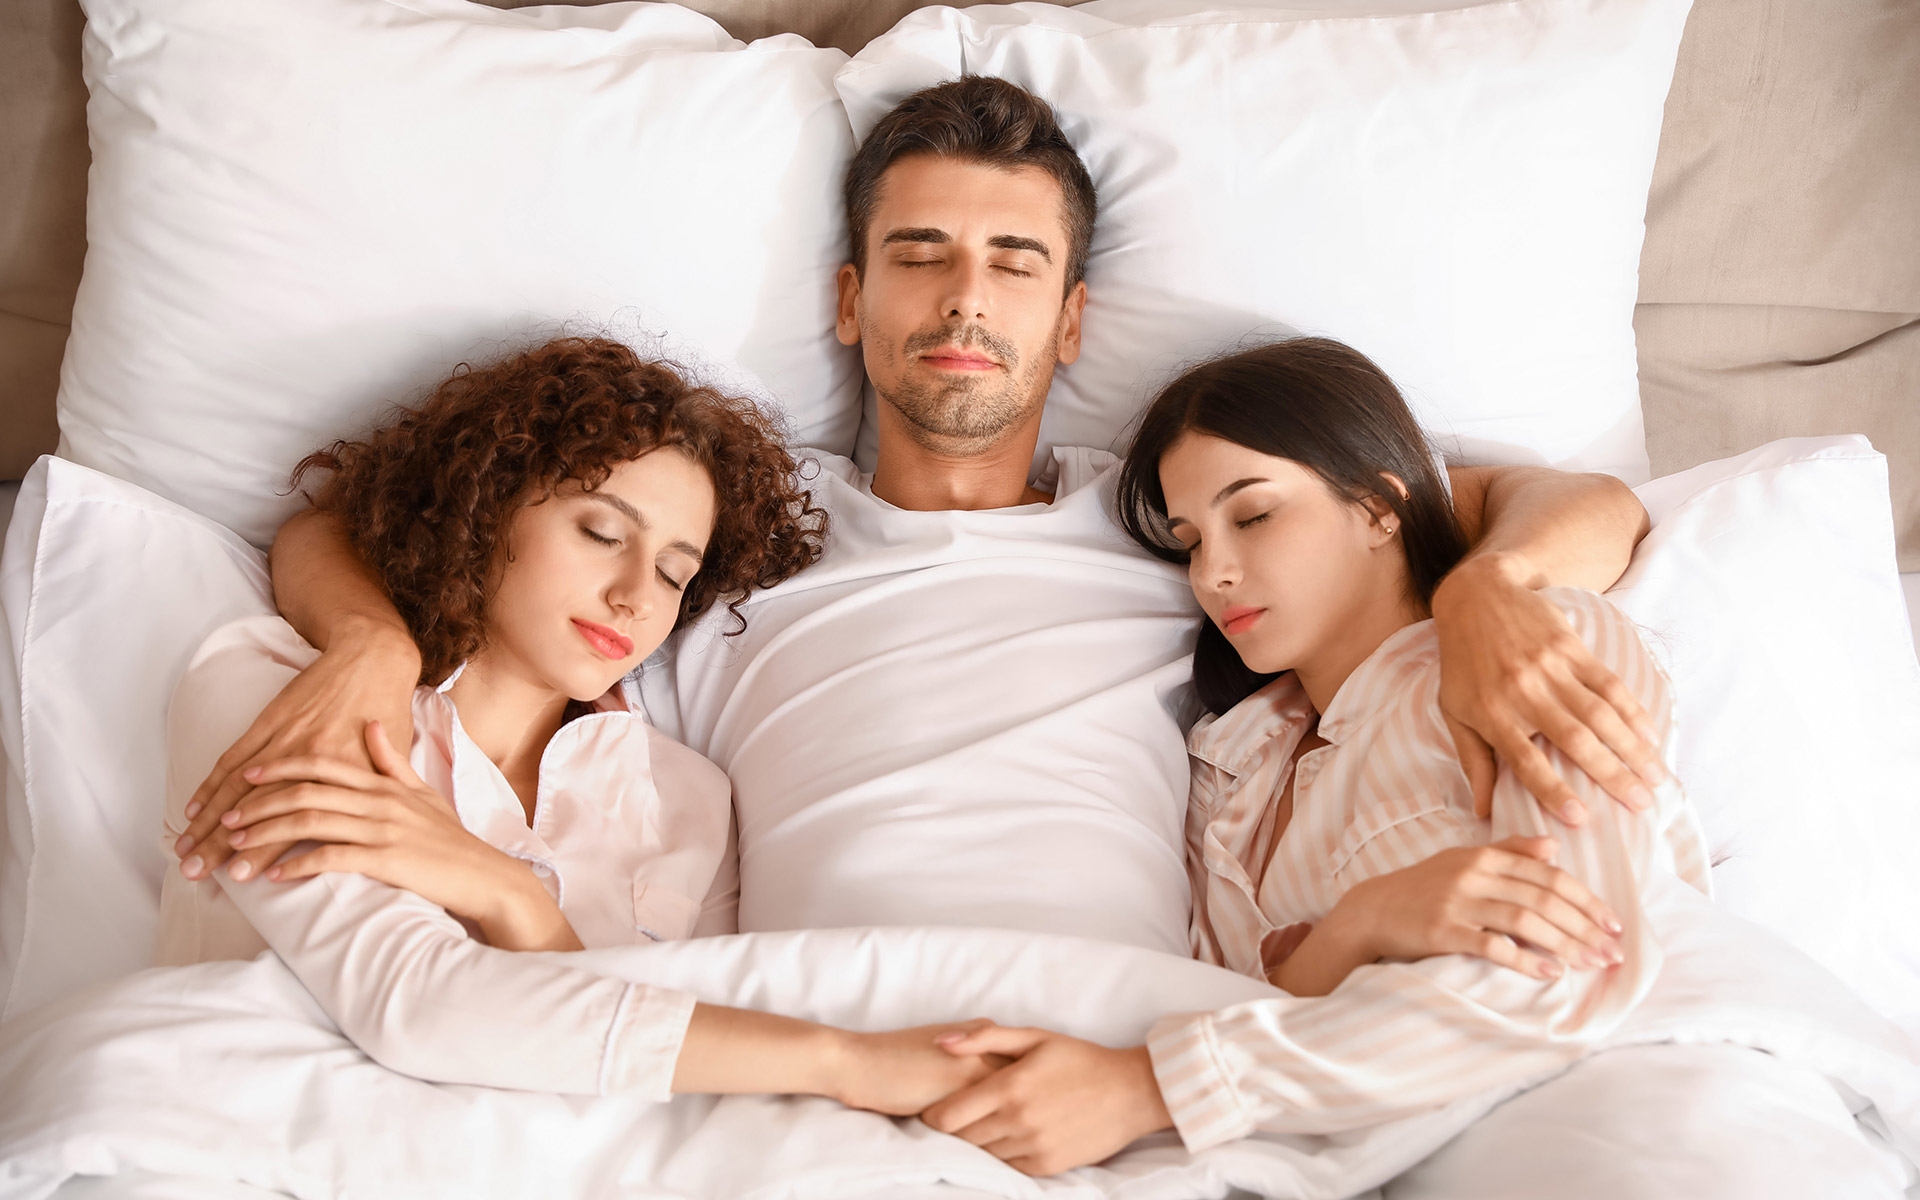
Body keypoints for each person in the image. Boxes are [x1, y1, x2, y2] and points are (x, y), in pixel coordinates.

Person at [173, 77, 1659, 1011]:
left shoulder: (1179, 518)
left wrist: (1492, 591)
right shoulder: (725, 538)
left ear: (1069, 321)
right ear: (849, 301)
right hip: (802, 1034)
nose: (966, 299)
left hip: (1129, 1031)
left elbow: (1582, 501)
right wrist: (367, 639)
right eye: (919, 254)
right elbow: (344, 524)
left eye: (1014, 263)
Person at [909, 338, 1905, 1194]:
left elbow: (1567, 973)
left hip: (1651, 1095)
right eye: (1190, 540)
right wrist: (1363, 924)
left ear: (1382, 507)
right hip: (1392, 1155)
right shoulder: (1228, 772)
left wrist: (1149, 1085)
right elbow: (1258, 1003)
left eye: (1252, 516)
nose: (1212, 571)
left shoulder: (1546, 645)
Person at [156, 335, 1012, 1113]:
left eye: (676, 574)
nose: (637, 596)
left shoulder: (689, 799)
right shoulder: (274, 686)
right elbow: (413, 1003)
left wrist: (509, 899)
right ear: (485, 508)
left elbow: (666, 1090)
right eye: (602, 532)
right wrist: (840, 1061)